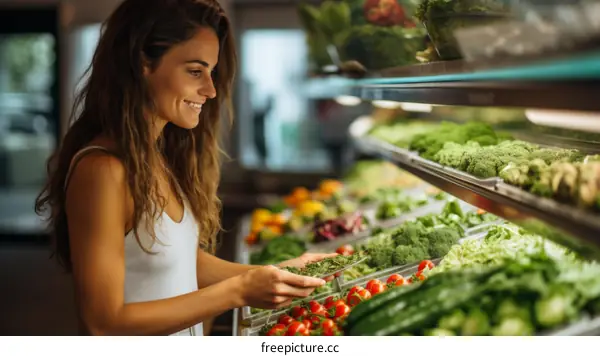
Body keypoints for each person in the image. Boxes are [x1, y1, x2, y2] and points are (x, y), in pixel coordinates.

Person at [35, 0, 335, 336]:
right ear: (141, 63)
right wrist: (238, 291)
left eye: (212, 72)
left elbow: (180, 261)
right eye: (195, 71)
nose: (210, 89)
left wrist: (273, 272)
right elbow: (102, 323)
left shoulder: (155, 156)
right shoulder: (103, 169)